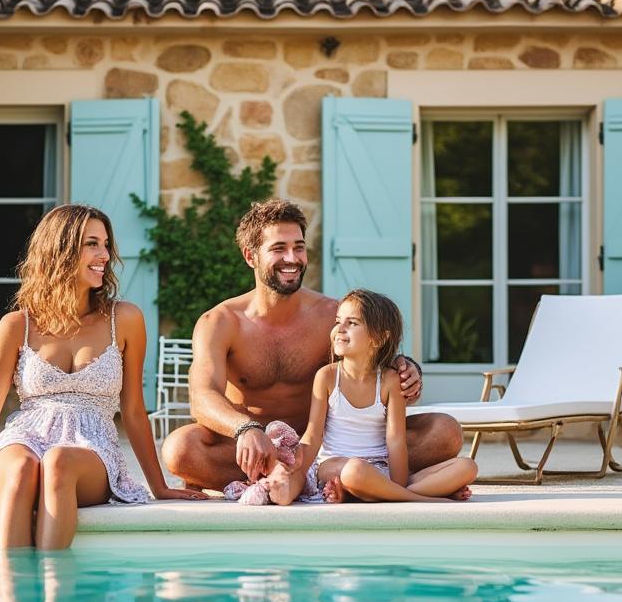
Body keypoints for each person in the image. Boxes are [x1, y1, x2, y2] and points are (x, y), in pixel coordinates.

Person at [0, 204, 205, 548]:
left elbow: (134, 411)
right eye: (91, 244)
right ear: (60, 250)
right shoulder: (16, 325)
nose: (104, 255)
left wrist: (159, 486)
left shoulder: (124, 319)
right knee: (21, 468)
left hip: (90, 447)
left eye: (106, 244)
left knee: (58, 462)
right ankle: (11, 578)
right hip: (25, 436)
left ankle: (54, 579)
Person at [162, 199, 464, 501]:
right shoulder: (220, 322)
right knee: (180, 449)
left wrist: (406, 369)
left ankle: (338, 481)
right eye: (279, 248)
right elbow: (202, 397)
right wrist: (247, 428)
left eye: (299, 247)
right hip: (256, 448)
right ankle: (351, 483)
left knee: (445, 431)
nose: (292, 258)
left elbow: (371, 359)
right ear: (250, 256)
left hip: (327, 446)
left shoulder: (332, 316)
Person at [287, 289, 476, 504]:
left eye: (352, 323)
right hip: (335, 465)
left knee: (467, 466)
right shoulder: (327, 376)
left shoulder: (389, 381)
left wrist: (398, 483)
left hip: (379, 468)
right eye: (338, 321)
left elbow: (396, 440)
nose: (340, 328)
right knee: (354, 471)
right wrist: (296, 474)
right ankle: (420, 497)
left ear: (378, 338)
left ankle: (380, 493)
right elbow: (313, 437)